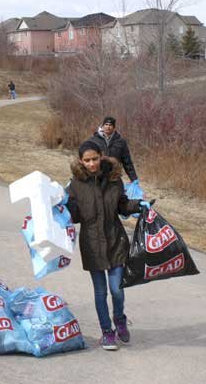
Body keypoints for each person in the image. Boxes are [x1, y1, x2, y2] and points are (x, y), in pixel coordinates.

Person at [67, 140, 141, 351]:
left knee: (116, 289)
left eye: (95, 159)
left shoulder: (114, 180)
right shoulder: (76, 185)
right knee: (100, 292)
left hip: (115, 240)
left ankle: (119, 318)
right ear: (81, 161)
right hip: (91, 244)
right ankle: (107, 332)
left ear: (101, 156)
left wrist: (138, 206)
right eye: (87, 160)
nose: (92, 164)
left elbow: (122, 205)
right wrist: (64, 204)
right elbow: (74, 216)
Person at [90, 116, 138, 182]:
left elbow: (127, 162)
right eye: (106, 124)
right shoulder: (93, 140)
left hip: (114, 177)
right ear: (102, 126)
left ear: (114, 127)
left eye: (110, 125)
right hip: (97, 176)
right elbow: (85, 159)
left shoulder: (121, 142)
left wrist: (134, 179)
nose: (108, 127)